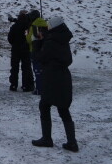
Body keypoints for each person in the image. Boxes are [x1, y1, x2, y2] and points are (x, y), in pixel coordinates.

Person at [32, 16, 79, 152]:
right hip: (63, 76)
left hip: (51, 77)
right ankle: (72, 142)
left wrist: (36, 43)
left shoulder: (51, 41)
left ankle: (47, 139)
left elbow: (39, 57)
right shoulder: (62, 39)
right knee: (63, 108)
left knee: (44, 105)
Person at [8, 10, 34, 92]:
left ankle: (13, 85)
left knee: (14, 68)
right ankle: (26, 85)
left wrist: (14, 44)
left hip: (15, 49)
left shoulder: (15, 26)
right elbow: (29, 37)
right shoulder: (28, 27)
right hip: (26, 50)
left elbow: (10, 38)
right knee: (26, 68)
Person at [26, 10, 48, 95]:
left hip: (34, 50)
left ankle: (39, 89)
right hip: (45, 50)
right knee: (44, 71)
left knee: (37, 70)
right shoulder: (46, 24)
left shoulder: (33, 26)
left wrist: (26, 34)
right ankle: (45, 88)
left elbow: (29, 39)